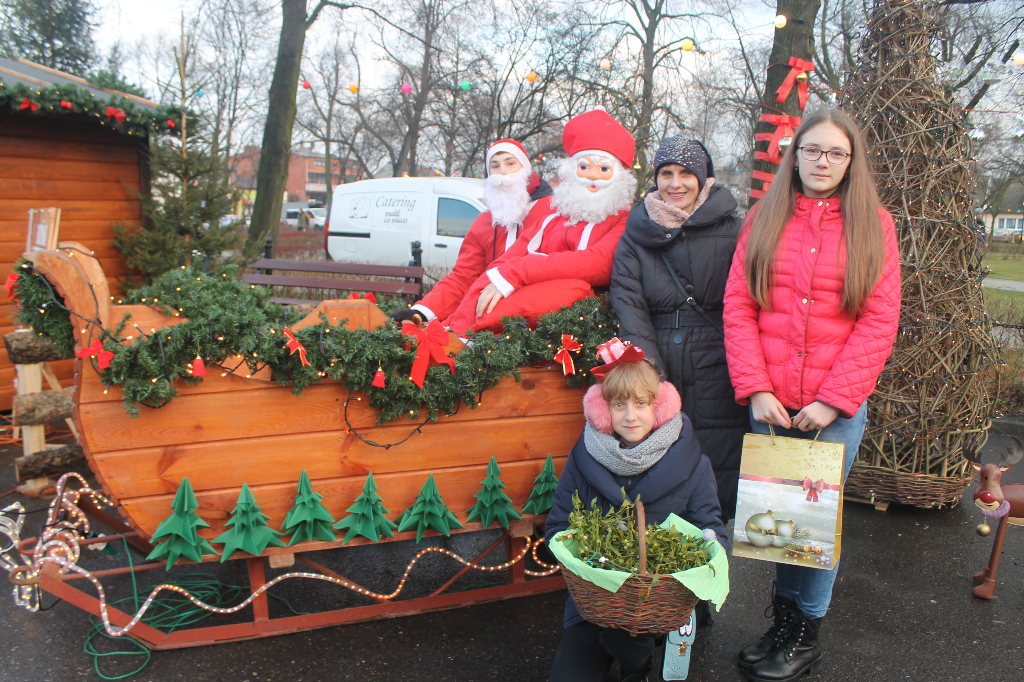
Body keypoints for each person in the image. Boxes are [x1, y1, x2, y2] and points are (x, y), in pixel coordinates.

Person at [723, 107, 900, 681]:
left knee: (817, 524)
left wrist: (834, 400)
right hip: (772, 405)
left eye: (836, 153)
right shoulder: (764, 217)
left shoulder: (874, 225)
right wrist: (755, 387)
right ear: (794, 155)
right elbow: (738, 304)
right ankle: (782, 626)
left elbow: (879, 319)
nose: (823, 161)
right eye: (813, 150)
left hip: (833, 411)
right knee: (782, 523)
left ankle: (806, 635)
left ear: (851, 161)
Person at [545, 339, 728, 682]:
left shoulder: (694, 463)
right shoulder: (583, 458)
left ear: (659, 406)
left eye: (641, 403)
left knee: (634, 644)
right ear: (604, 410)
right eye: (619, 404)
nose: (630, 416)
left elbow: (713, 534)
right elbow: (557, 527)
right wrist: (589, 565)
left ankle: (638, 665)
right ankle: (627, 656)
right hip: (598, 600)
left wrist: (688, 576)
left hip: (663, 603)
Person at [610, 136, 747, 523]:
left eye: (686, 173)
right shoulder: (637, 233)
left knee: (719, 460)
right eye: (666, 173)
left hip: (719, 362)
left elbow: (746, 297)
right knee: (662, 461)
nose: (675, 183)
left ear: (703, 178)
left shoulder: (734, 230)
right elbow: (629, 302)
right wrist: (651, 373)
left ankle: (715, 546)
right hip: (659, 359)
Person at [445, 107, 637, 335]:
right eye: (584, 167)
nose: (593, 176)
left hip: (582, 321)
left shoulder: (625, 219)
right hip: (526, 312)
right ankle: (458, 335)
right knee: (490, 281)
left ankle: (473, 332)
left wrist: (519, 271)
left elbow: (598, 265)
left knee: (573, 289)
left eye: (604, 168)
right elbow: (503, 263)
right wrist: (487, 288)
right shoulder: (553, 219)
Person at [390, 139, 553, 326]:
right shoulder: (485, 221)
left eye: (510, 163)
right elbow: (463, 278)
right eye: (495, 166)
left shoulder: (551, 211)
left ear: (525, 168)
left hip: (540, 318)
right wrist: (421, 311)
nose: (502, 172)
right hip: (487, 318)